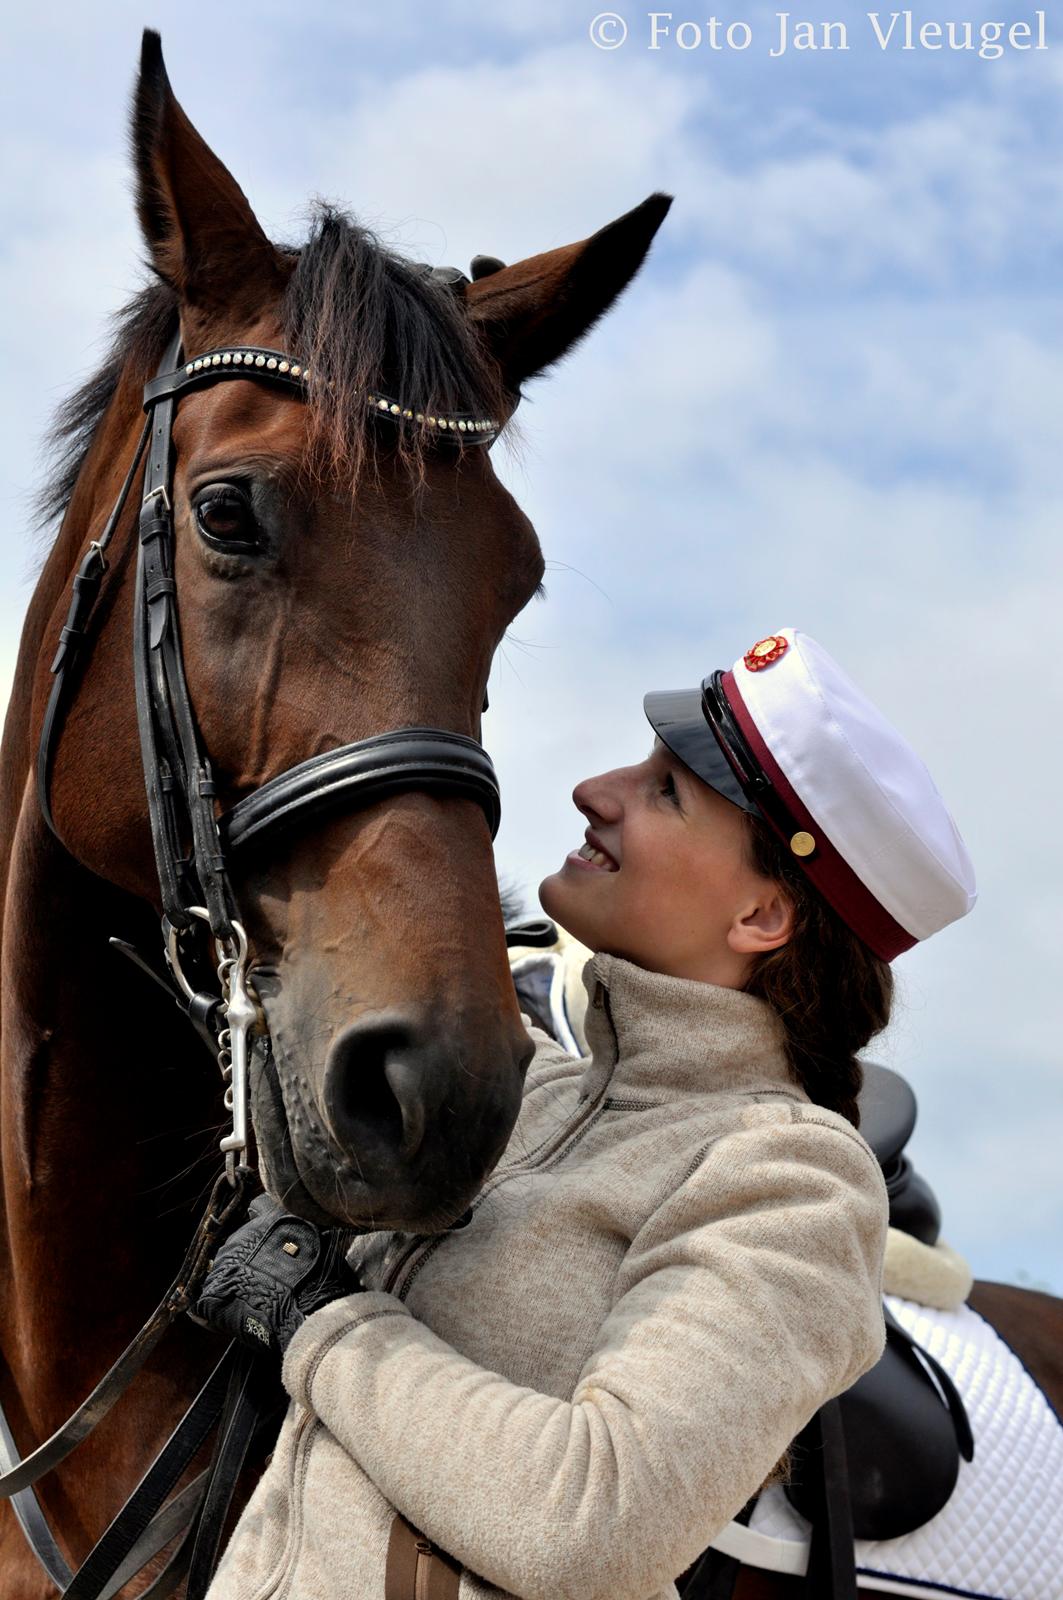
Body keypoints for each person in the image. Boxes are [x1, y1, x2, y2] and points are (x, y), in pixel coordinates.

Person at [199, 627, 976, 1600]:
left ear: (761, 919)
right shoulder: (527, 1092)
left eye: (663, 792)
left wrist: (320, 1322)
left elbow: (590, 1528)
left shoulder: (790, 1181)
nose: (594, 790)